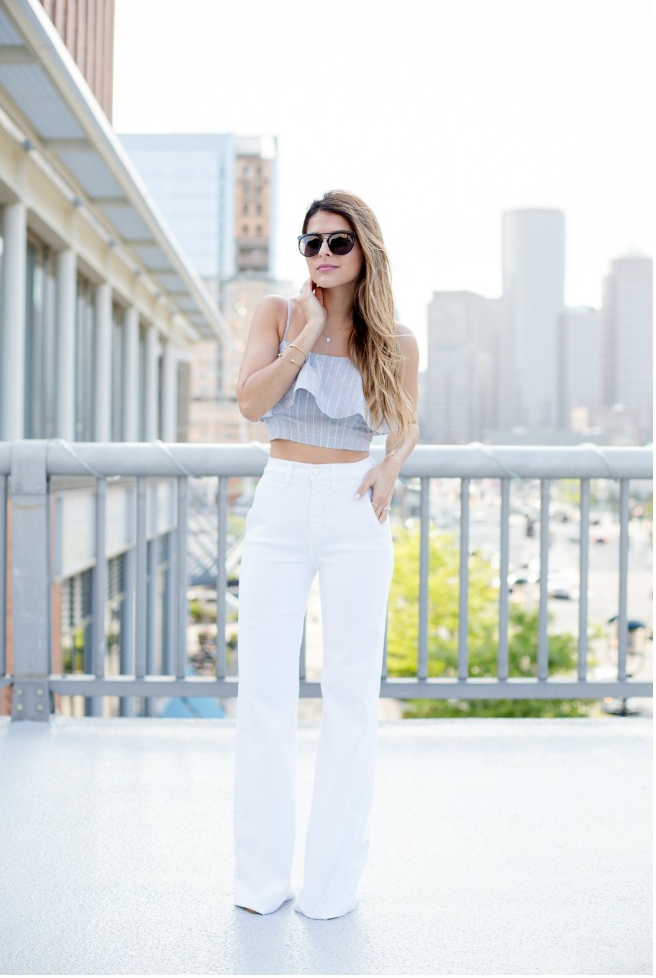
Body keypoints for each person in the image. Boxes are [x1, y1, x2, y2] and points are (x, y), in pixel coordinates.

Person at [232, 190, 419, 920]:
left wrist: (390, 467)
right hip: (281, 500)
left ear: (364, 249)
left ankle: (331, 887)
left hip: (353, 505)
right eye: (310, 243)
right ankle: (259, 883)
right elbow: (250, 403)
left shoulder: (395, 341)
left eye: (337, 243)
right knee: (265, 697)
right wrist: (304, 336)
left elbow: (404, 421)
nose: (321, 256)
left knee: (350, 699)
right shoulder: (277, 315)